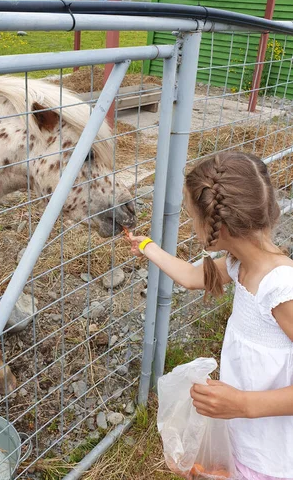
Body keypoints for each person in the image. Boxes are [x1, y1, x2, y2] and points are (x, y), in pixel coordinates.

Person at [126, 151, 293, 480]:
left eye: (192, 217)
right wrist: (146, 246)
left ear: (221, 226)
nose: (190, 224)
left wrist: (242, 404)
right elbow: (191, 277)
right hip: (245, 437)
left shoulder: (280, 287)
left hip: (274, 455)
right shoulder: (240, 263)